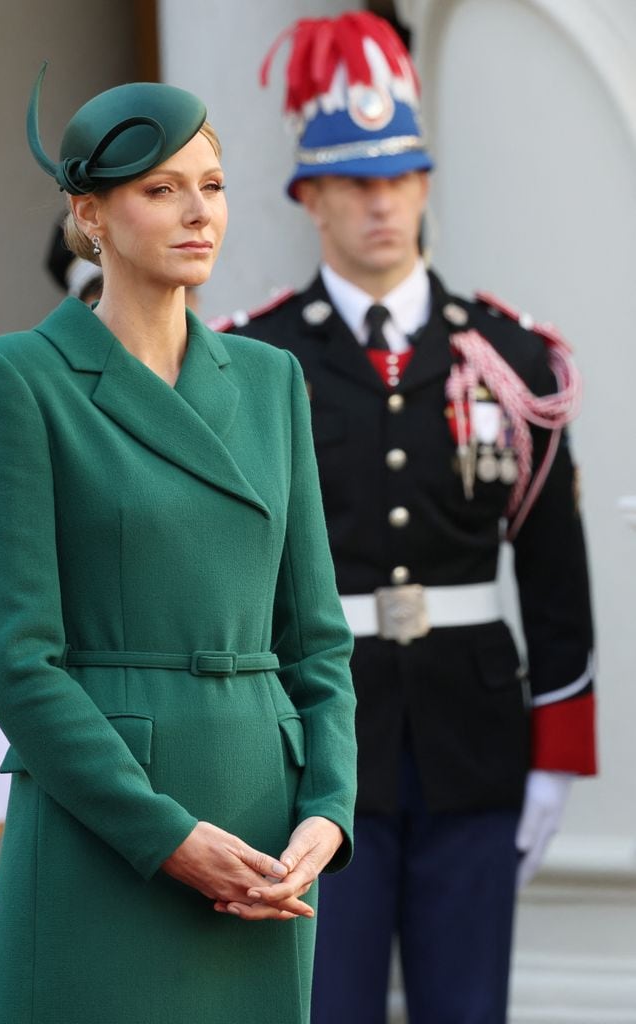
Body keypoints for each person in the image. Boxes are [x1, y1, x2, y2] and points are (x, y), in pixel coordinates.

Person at [0, 64, 357, 1024]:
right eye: (160, 189)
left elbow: (317, 641)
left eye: (210, 186)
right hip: (109, 833)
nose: (197, 213)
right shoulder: (15, 380)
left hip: (264, 834)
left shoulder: (271, 381)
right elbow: (18, 664)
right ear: (89, 215)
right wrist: (166, 836)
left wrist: (327, 813)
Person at [221, 12, 597, 1024]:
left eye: (396, 176)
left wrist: (555, 756)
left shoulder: (509, 361)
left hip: (471, 743)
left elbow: (554, 572)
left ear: (424, 182)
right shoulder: (255, 364)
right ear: (308, 195)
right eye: (352, 180)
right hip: (311, 749)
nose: (378, 201)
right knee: (324, 1007)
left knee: (464, 1010)